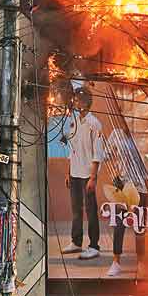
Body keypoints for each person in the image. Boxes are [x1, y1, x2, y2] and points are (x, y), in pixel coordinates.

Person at [60, 85, 106, 260]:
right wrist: (68, 173)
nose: (74, 102)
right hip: (75, 173)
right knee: (76, 210)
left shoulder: (94, 124)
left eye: (77, 99)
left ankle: (94, 246)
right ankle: (76, 242)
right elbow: (72, 149)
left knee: (90, 210)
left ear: (86, 102)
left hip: (88, 175)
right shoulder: (75, 122)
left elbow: (97, 153)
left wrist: (93, 177)